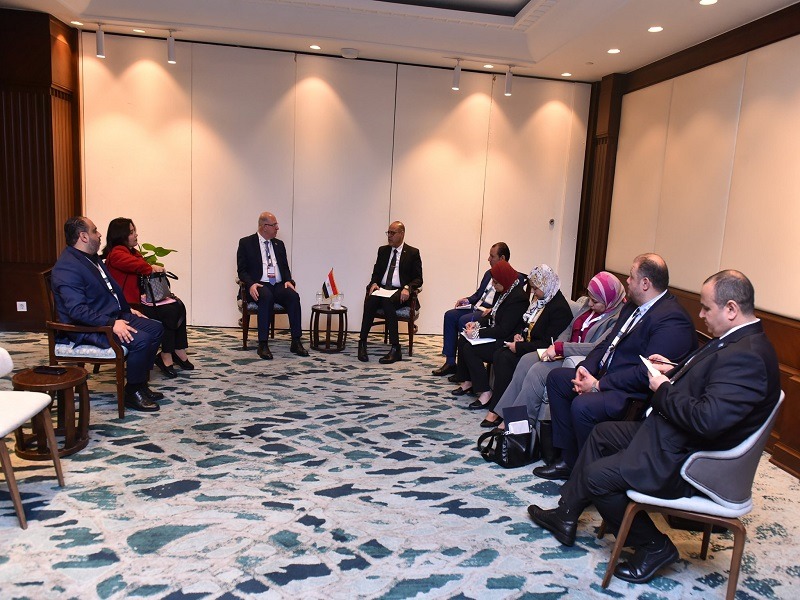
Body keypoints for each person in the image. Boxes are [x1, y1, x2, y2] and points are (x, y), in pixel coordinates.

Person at [527, 270, 780, 585]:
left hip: (695, 460)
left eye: (706, 308)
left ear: (731, 309)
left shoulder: (748, 356)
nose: (701, 315)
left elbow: (707, 420)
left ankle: (654, 546)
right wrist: (673, 370)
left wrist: (663, 388)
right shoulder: (737, 341)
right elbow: (709, 388)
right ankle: (566, 514)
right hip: (675, 434)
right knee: (602, 434)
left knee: (597, 477)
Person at [536, 253, 697, 480]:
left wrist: (599, 384)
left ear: (645, 283)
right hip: (608, 376)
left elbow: (647, 372)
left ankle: (588, 474)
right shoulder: (633, 306)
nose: (627, 281)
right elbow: (607, 343)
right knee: (558, 379)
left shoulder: (671, 319)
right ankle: (568, 460)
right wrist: (586, 369)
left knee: (583, 405)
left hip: (631, 392)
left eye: (631, 277)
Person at [483, 271, 626, 429]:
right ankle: (503, 414)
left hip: (577, 359)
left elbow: (596, 347)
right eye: (590, 298)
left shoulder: (616, 319)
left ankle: (518, 427)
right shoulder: (588, 305)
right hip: (561, 352)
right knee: (525, 360)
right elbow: (569, 328)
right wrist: (555, 346)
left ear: (609, 300)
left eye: (595, 301)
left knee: (537, 371)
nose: (590, 304)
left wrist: (561, 348)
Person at [51, 217, 165, 412]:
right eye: (95, 231)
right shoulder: (68, 267)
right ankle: (133, 392)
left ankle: (139, 384)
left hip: (110, 316)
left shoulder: (90, 258)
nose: (99, 234)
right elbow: (77, 311)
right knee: (142, 340)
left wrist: (127, 310)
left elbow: (110, 291)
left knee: (156, 328)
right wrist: (112, 323)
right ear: (83, 236)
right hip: (88, 327)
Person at [476, 265, 573, 422]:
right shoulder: (542, 301)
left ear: (546, 285)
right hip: (530, 346)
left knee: (505, 358)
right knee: (500, 353)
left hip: (543, 353)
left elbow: (547, 343)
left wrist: (520, 347)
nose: (533, 292)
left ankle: (498, 410)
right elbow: (527, 326)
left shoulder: (559, 308)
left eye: (535, 288)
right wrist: (519, 336)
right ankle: (499, 407)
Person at [103, 217, 193, 378]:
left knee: (178, 305)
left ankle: (178, 349)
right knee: (169, 311)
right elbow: (140, 266)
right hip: (129, 305)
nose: (136, 235)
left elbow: (139, 264)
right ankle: (165, 355)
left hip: (138, 300)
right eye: (131, 232)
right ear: (121, 235)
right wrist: (151, 267)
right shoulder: (116, 253)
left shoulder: (131, 251)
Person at [451, 260, 528, 403]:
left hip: (506, 339)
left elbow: (504, 330)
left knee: (470, 349)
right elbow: (493, 315)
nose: (493, 285)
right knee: (463, 339)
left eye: (496, 282)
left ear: (504, 279)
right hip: (497, 333)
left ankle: (486, 391)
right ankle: (468, 381)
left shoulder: (519, 299)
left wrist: (477, 334)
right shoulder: (503, 291)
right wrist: (476, 324)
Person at [431, 242, 512, 377]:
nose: (488, 259)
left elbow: (508, 302)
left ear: (502, 258)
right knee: (450, 315)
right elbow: (478, 294)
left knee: (464, 320)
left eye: (492, 256)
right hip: (476, 307)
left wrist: (493, 309)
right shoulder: (488, 273)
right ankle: (450, 362)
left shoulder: (512, 277)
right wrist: (467, 300)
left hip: (488, 312)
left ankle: (465, 370)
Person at [237, 212, 309, 360]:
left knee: (293, 296)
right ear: (265, 227)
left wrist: (288, 280)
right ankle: (263, 344)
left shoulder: (279, 244)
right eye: (274, 225)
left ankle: (296, 341)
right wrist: (251, 284)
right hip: (259, 284)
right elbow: (242, 270)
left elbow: (285, 267)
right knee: (266, 296)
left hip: (277, 284)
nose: (277, 228)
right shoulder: (246, 243)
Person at [357, 221, 423, 364]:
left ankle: (395, 348)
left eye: (393, 233)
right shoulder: (383, 251)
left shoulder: (413, 253)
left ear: (402, 234)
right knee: (370, 301)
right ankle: (362, 342)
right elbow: (376, 273)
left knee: (388, 302)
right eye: (388, 232)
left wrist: (407, 287)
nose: (389, 236)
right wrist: (374, 283)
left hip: (399, 291)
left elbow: (418, 279)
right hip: (382, 289)